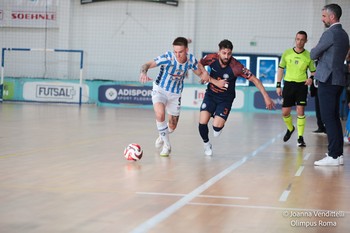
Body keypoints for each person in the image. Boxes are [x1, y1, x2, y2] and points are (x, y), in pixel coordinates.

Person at [198, 39, 275, 156]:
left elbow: (255, 80)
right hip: (211, 95)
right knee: (202, 123)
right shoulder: (211, 58)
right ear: (219, 52)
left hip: (225, 99)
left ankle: (217, 117)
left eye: (229, 53)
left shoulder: (237, 67)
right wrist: (203, 74)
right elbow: (199, 64)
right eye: (224, 53)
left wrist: (266, 96)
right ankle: (206, 144)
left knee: (216, 130)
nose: (226, 56)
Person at [139, 37, 210, 157]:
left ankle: (162, 136)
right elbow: (147, 64)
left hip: (175, 94)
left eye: (180, 52)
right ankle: (167, 145)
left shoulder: (191, 60)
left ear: (186, 50)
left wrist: (204, 76)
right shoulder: (168, 57)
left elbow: (199, 72)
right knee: (160, 114)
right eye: (175, 51)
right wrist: (143, 72)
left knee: (172, 126)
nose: (177, 54)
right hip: (160, 89)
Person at [311, 4, 349, 166]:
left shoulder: (330, 34)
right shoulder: (344, 34)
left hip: (327, 79)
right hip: (338, 80)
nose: (322, 19)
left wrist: (319, 54)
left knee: (329, 118)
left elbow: (313, 53)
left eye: (324, 16)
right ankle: (337, 154)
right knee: (333, 117)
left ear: (332, 17)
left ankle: (334, 156)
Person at [276, 31, 316, 147]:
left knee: (300, 111)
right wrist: (278, 85)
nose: (299, 41)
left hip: (301, 86)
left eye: (302, 39)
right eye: (297, 39)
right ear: (295, 39)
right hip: (288, 85)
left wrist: (310, 79)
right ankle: (290, 128)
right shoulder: (287, 53)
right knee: (285, 113)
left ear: (306, 41)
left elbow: (314, 72)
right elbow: (280, 69)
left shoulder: (309, 55)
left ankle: (300, 138)